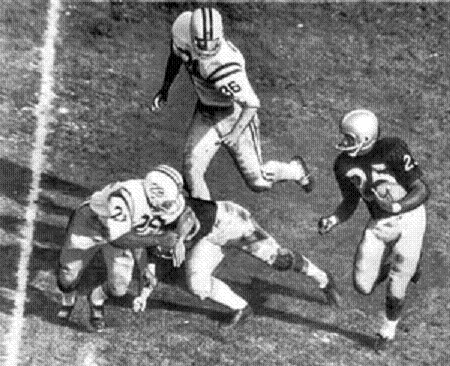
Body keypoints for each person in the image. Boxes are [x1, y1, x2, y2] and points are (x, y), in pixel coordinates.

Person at [111, 165, 342, 328]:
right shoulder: (145, 211)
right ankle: (241, 308)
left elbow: (188, 217)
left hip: (231, 223)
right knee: (198, 285)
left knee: (280, 260)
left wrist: (179, 239)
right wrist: (144, 294)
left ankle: (323, 278)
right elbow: (153, 260)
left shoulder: (174, 207)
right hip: (208, 239)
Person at [150, 7, 314, 200]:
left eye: (210, 44)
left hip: (234, 115)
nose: (206, 50)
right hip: (205, 112)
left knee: (258, 182)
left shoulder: (226, 65)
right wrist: (165, 87)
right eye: (200, 44)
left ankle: (295, 170)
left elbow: (252, 104)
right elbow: (175, 56)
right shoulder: (182, 30)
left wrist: (235, 133)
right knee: (192, 173)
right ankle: (206, 223)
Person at [318, 109, 430, 351]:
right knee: (362, 286)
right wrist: (333, 219)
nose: (345, 142)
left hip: (409, 217)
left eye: (350, 138)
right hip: (379, 223)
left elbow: (421, 190)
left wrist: (396, 205)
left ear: (366, 138)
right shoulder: (343, 164)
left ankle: (387, 330)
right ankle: (403, 267)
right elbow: (350, 201)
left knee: (398, 282)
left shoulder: (392, 150)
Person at [56, 165, 188, 331]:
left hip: (125, 232)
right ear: (154, 193)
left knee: (118, 288)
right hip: (91, 224)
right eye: (167, 203)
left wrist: (145, 268)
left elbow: (187, 215)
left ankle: (95, 299)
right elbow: (118, 239)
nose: (169, 207)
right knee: (67, 276)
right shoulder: (126, 196)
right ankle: (68, 299)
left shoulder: (166, 200)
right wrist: (160, 239)